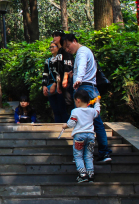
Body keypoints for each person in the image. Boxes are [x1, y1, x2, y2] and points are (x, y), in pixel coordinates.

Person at [61, 33, 111, 162]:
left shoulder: (82, 52)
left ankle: (99, 152)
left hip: (85, 89)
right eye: (65, 48)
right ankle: (102, 152)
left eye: (68, 46)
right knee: (94, 121)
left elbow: (82, 65)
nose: (68, 50)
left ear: (75, 41)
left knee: (85, 122)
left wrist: (78, 79)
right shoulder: (85, 52)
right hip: (90, 88)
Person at [65, 89, 100, 183]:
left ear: (78, 100)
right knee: (88, 156)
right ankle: (91, 174)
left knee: (78, 155)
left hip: (79, 136)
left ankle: (82, 174)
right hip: (91, 136)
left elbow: (72, 123)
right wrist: (97, 102)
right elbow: (97, 111)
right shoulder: (92, 111)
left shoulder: (75, 111)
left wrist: (65, 125)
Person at [42, 38, 70, 123]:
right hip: (50, 87)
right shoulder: (48, 60)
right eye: (50, 47)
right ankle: (57, 126)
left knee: (62, 109)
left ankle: (65, 127)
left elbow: (61, 72)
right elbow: (45, 73)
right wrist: (44, 86)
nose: (51, 49)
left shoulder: (61, 59)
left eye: (53, 47)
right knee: (55, 110)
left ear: (58, 48)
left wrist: (55, 84)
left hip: (59, 86)